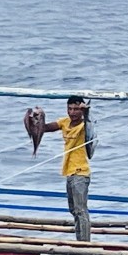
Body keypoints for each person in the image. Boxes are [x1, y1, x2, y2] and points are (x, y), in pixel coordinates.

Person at [42, 95, 93, 241]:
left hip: (81, 173)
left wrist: (86, 111)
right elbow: (45, 128)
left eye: (76, 109)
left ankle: (85, 244)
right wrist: (38, 117)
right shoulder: (64, 122)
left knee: (81, 210)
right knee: (73, 210)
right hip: (69, 173)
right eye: (70, 109)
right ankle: (80, 239)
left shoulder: (85, 126)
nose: (73, 112)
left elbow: (90, 120)